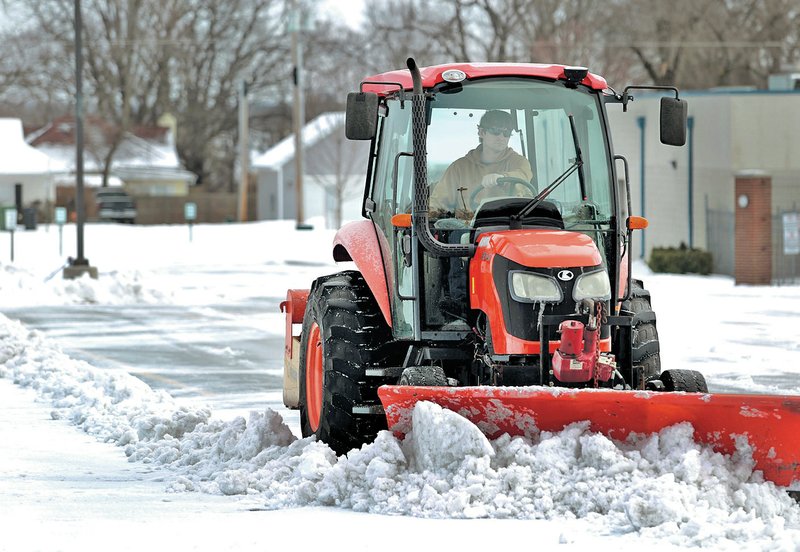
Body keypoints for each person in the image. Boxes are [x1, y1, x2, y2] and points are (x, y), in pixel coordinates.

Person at [429, 110, 534, 220]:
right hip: (469, 231)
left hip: (509, 226)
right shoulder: (459, 168)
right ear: (481, 132)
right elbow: (438, 203)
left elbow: (523, 176)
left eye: (506, 133)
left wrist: (503, 177)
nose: (501, 137)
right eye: (496, 131)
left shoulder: (518, 162)